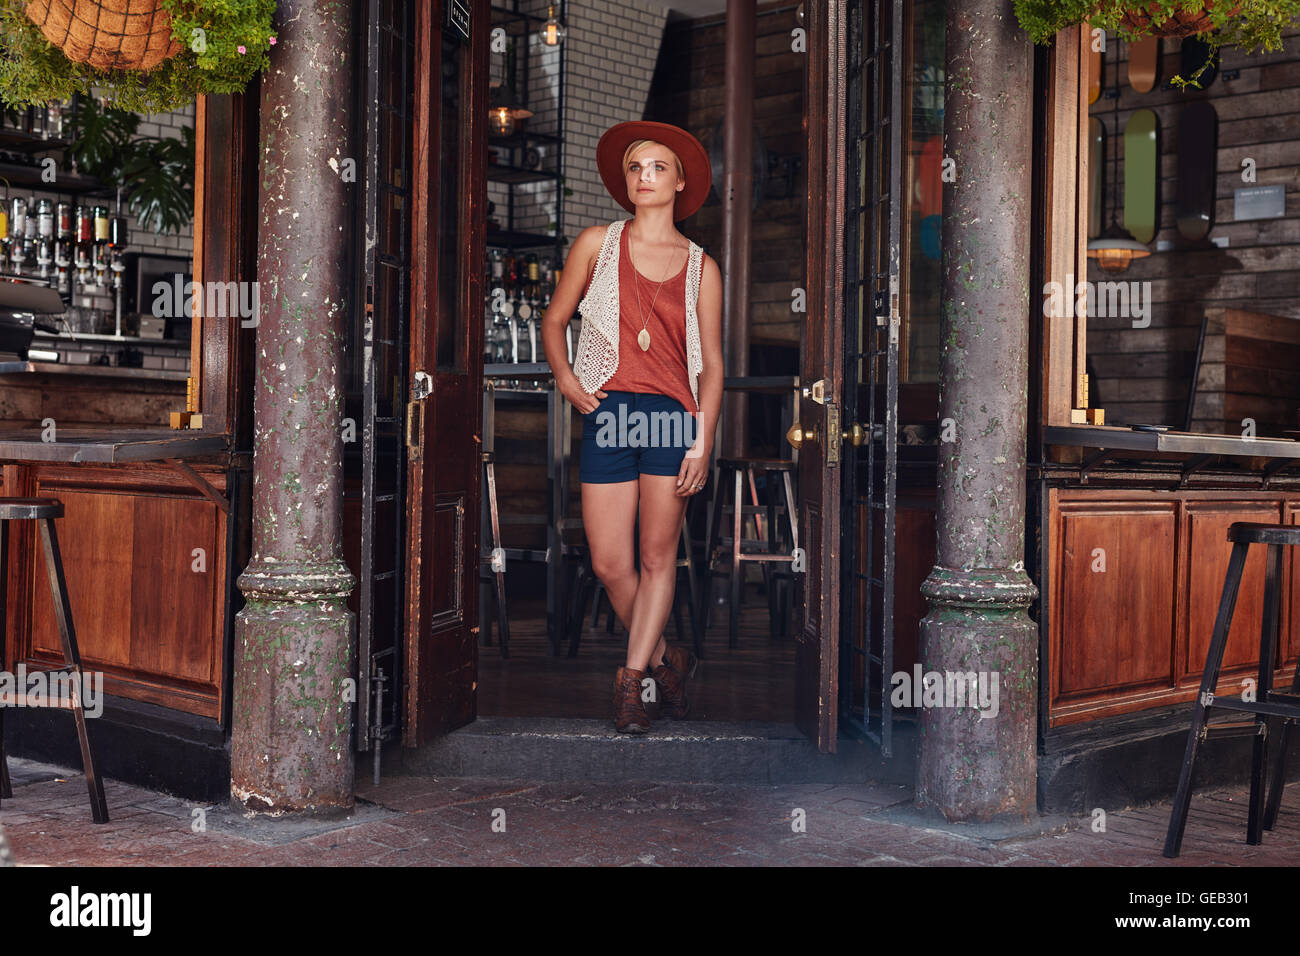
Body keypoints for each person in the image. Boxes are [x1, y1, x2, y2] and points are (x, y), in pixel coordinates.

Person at [540, 121, 723, 733]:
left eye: (657, 167)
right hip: (610, 412)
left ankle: (631, 684)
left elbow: (713, 367)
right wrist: (567, 379)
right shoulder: (596, 243)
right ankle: (670, 659)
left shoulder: (702, 268)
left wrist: (704, 439)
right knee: (610, 562)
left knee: (656, 555)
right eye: (635, 169)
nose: (644, 177)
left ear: (680, 182)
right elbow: (555, 317)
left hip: (672, 419)